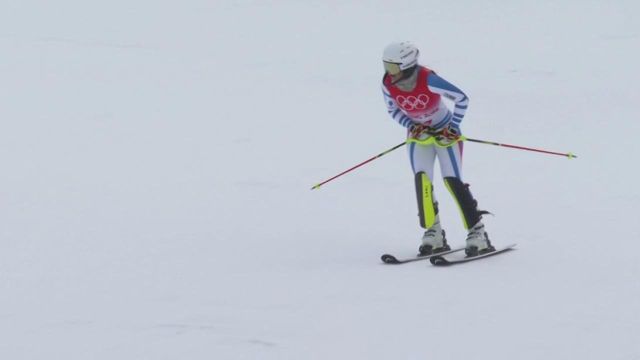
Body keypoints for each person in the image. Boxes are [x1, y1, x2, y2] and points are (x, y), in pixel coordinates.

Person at [381, 42, 494, 257]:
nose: (388, 72)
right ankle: (433, 233)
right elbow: (392, 110)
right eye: (386, 66)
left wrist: (451, 127)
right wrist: (412, 125)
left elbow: (461, 98)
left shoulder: (428, 79)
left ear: (406, 65)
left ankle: (477, 233)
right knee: (422, 180)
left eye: (393, 67)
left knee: (452, 180)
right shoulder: (387, 84)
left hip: (445, 134)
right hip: (419, 136)